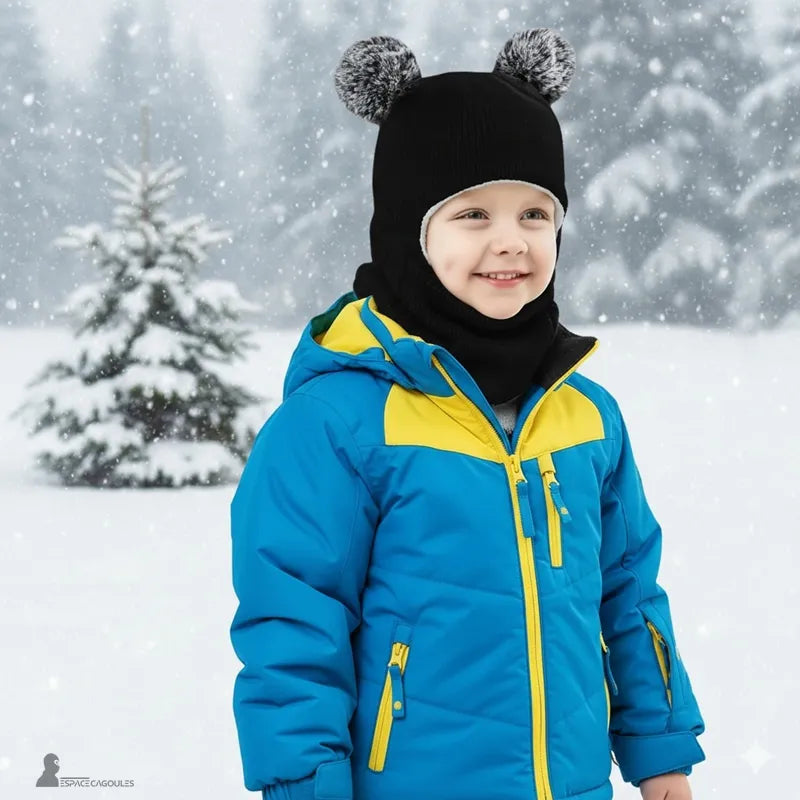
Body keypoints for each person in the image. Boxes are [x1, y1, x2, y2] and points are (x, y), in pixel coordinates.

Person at [229, 28, 706, 800]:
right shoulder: (339, 422)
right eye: (472, 215)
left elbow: (628, 598)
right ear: (409, 234)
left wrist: (662, 760)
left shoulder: (586, 416)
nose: (510, 243)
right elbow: (292, 634)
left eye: (535, 214)